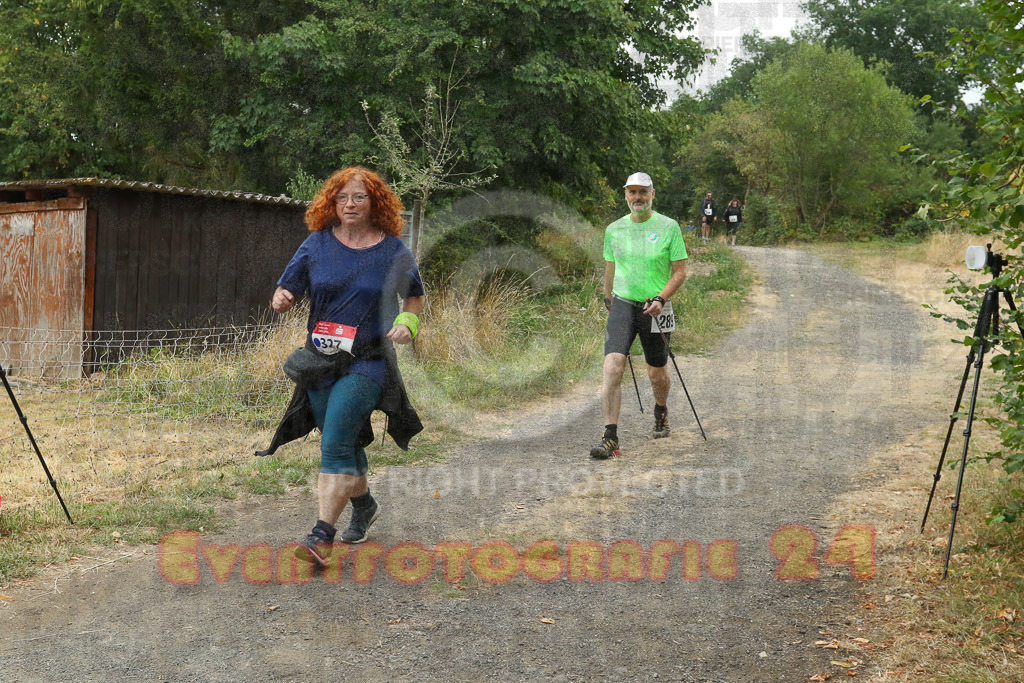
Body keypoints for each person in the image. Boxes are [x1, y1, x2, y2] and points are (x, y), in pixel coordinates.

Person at [269, 165, 425, 565]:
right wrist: (283, 296)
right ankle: (365, 504)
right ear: (331, 204)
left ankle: (320, 537)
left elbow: (413, 297)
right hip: (319, 360)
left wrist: (407, 322)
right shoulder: (317, 244)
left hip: (368, 361)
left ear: (376, 204)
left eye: (359, 197)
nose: (350, 204)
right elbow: (289, 285)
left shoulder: (393, 250)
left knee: (335, 441)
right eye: (342, 197)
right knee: (346, 443)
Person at [592, 172, 688, 459]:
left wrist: (661, 298)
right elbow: (610, 266)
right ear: (625, 195)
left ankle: (660, 409)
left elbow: (680, 271)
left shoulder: (669, 227)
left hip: (656, 306)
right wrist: (608, 297)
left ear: (652, 194)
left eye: (643, 192)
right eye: (632, 192)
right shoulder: (614, 229)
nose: (637, 197)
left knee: (656, 372)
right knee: (613, 367)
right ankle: (610, 436)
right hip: (623, 304)